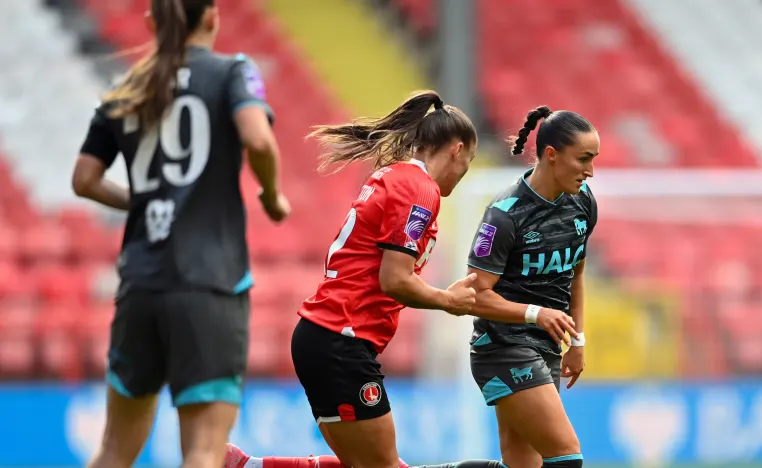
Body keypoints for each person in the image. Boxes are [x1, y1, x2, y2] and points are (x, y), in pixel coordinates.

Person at [224, 91, 502, 468]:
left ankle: (246, 465)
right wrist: (447, 300)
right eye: (469, 160)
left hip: (325, 337)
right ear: (457, 150)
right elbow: (394, 279)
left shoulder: (392, 175)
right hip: (342, 339)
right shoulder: (420, 189)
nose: (464, 170)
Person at [71, 0, 290, 466]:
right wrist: (272, 195)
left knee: (113, 450)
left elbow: (84, 179)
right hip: (209, 284)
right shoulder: (233, 71)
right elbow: (257, 138)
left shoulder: (128, 86)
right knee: (203, 450)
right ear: (212, 16)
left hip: (140, 284)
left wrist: (143, 200)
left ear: (152, 22)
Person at [466, 107, 599, 468]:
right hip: (502, 348)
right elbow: (474, 296)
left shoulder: (583, 203)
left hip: (547, 348)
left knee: (524, 466)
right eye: (583, 159)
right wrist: (536, 314)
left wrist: (577, 341)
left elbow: (575, 274)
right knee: (566, 456)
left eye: (593, 159)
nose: (590, 170)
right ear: (551, 154)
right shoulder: (505, 214)